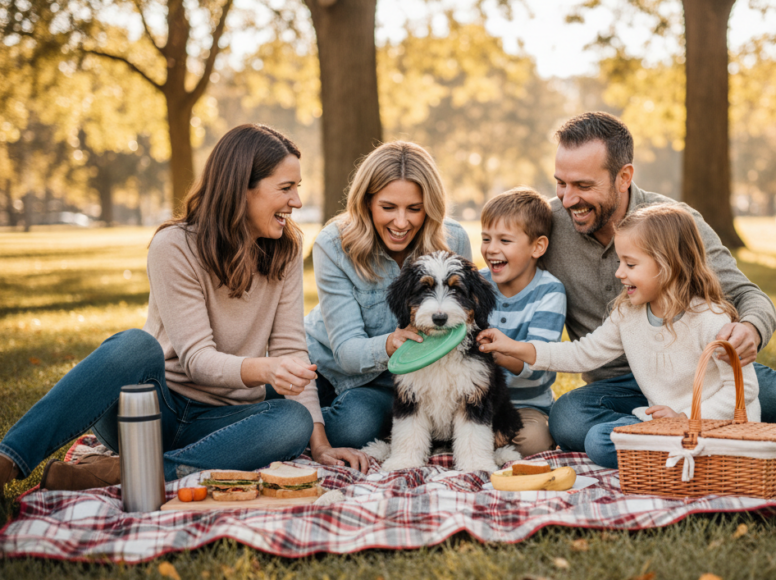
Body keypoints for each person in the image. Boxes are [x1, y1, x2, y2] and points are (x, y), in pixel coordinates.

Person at [0, 124, 367, 495]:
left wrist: (319, 444)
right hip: (151, 411)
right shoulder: (173, 245)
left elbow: (291, 348)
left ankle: (127, 471)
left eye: (297, 188)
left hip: (223, 421)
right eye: (286, 188)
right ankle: (8, 460)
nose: (297, 202)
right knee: (135, 345)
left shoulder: (285, 251)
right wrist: (264, 369)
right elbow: (196, 359)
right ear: (242, 189)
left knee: (293, 421)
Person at [538, 111, 776, 453]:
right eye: (561, 183)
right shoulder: (548, 225)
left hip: (697, 378)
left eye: (583, 186)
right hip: (618, 389)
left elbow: (747, 295)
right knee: (567, 418)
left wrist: (751, 330)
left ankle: (674, 431)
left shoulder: (674, 223)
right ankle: (670, 432)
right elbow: (503, 265)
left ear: (624, 177)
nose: (567, 199)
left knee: (768, 393)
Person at [478, 205, 761, 467]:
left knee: (602, 443)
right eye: (619, 261)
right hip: (667, 427)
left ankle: (666, 451)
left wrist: (686, 419)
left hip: (716, 429)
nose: (618, 273)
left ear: (667, 266)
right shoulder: (629, 314)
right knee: (598, 440)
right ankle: (664, 451)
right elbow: (583, 353)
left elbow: (743, 390)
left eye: (630, 264)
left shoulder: (710, 319)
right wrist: (515, 347)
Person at [305, 141, 472, 449]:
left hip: (393, 380)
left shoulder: (453, 241)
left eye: (414, 209)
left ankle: (307, 426)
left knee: (353, 429)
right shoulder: (332, 244)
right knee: (251, 400)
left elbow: (463, 323)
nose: (401, 222)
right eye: (388, 207)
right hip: (323, 366)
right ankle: (300, 420)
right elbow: (346, 351)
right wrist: (391, 343)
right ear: (366, 202)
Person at [478, 187, 566, 457]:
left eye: (505, 240)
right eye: (486, 238)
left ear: (537, 247)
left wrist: (495, 353)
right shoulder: (477, 284)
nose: (492, 249)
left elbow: (539, 363)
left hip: (527, 407)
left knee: (533, 440)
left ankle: (489, 441)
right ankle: (483, 440)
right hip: (477, 401)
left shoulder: (549, 293)